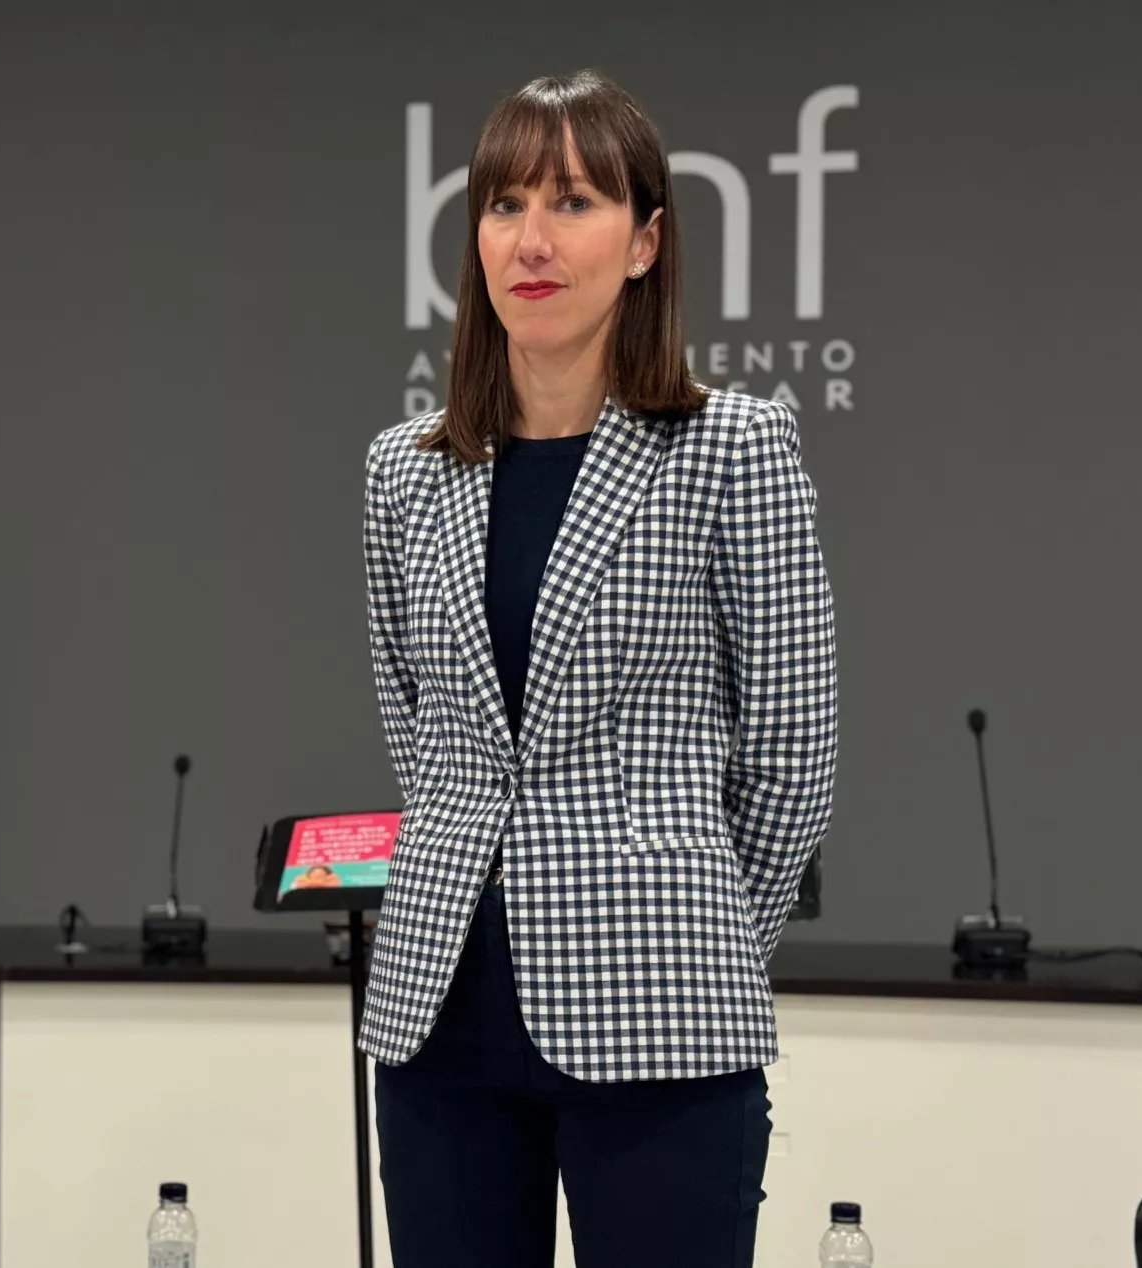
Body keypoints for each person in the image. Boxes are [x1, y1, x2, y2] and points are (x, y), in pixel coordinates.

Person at [359, 71, 837, 1267]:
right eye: (505, 202)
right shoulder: (402, 470)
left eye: (573, 201)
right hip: (441, 1015)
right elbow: (418, 732)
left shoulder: (734, 448)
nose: (531, 238)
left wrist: (701, 926)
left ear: (645, 240)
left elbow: (793, 759)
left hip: (666, 1008)